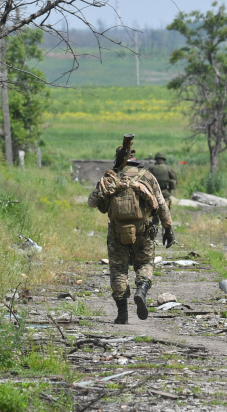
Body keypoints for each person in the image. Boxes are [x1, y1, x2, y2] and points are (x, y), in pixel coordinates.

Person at [88, 139, 174, 325]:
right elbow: (161, 205)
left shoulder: (109, 179)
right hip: (143, 231)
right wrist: (168, 228)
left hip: (117, 233)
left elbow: (92, 202)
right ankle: (141, 289)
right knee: (144, 264)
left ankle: (122, 315)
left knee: (118, 271)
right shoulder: (147, 177)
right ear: (135, 159)